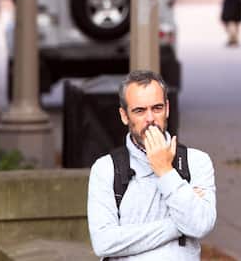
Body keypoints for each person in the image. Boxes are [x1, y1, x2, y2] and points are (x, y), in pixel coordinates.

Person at [87, 70, 216, 259]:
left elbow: (200, 225)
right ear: (124, 116)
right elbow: (103, 243)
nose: (150, 118)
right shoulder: (106, 169)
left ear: (167, 109)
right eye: (139, 111)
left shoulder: (196, 162)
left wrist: (165, 171)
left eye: (157, 108)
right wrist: (178, 224)